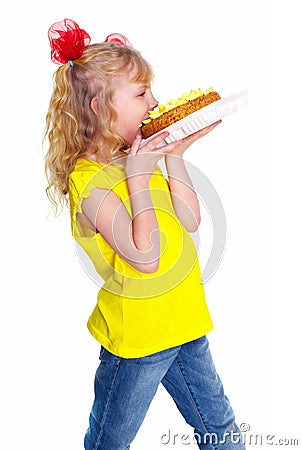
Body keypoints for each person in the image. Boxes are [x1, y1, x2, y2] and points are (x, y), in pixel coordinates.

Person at [44, 18, 246, 450]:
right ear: (99, 107)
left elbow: (190, 220)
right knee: (110, 441)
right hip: (137, 339)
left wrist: (174, 156)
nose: (156, 103)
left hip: (185, 320)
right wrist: (137, 177)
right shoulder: (90, 178)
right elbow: (145, 256)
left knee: (222, 431)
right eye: (141, 94)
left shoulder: (140, 155)